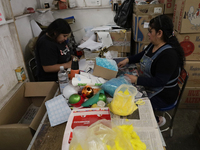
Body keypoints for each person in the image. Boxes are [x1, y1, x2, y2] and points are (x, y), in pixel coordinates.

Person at [118, 15, 185, 126]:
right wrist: (127, 59)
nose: (148, 34)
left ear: (159, 33)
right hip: (152, 84)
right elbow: (142, 55)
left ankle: (158, 120)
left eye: (150, 31)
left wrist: (136, 80)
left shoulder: (168, 55)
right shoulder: (154, 44)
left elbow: (160, 81)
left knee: (134, 104)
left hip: (164, 94)